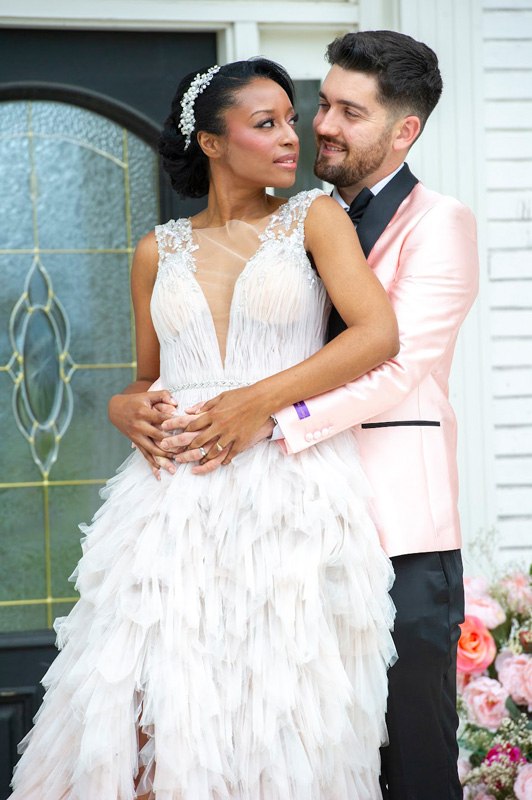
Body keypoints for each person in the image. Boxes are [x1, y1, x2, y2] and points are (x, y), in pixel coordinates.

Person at [10, 58, 400, 799]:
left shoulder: (314, 219)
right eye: (266, 123)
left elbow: (377, 334)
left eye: (291, 120)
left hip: (287, 492)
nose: (291, 137)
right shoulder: (156, 250)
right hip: (169, 504)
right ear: (212, 142)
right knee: (151, 714)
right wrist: (122, 406)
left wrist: (259, 403)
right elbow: (147, 377)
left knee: (276, 712)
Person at [156, 32, 480, 800]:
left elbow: (396, 366)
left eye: (349, 113)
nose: (323, 126)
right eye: (323, 104)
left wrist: (268, 418)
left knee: (412, 763)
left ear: (404, 130)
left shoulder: (440, 222)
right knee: (312, 761)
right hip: (288, 533)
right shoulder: (295, 221)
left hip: (397, 535)